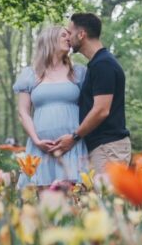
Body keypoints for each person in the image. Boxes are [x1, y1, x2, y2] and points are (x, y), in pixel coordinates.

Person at [13, 24, 90, 187]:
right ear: (49, 39)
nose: (69, 38)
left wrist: (76, 137)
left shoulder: (79, 73)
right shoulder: (30, 74)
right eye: (64, 35)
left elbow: (91, 109)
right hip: (40, 148)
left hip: (71, 147)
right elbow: (23, 112)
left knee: (73, 200)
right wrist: (36, 140)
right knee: (44, 201)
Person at [55, 12, 131, 174]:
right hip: (102, 147)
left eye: (70, 33)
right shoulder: (97, 63)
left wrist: (74, 138)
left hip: (108, 148)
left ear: (81, 35)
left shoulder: (103, 64)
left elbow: (101, 110)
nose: (68, 38)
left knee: (107, 198)